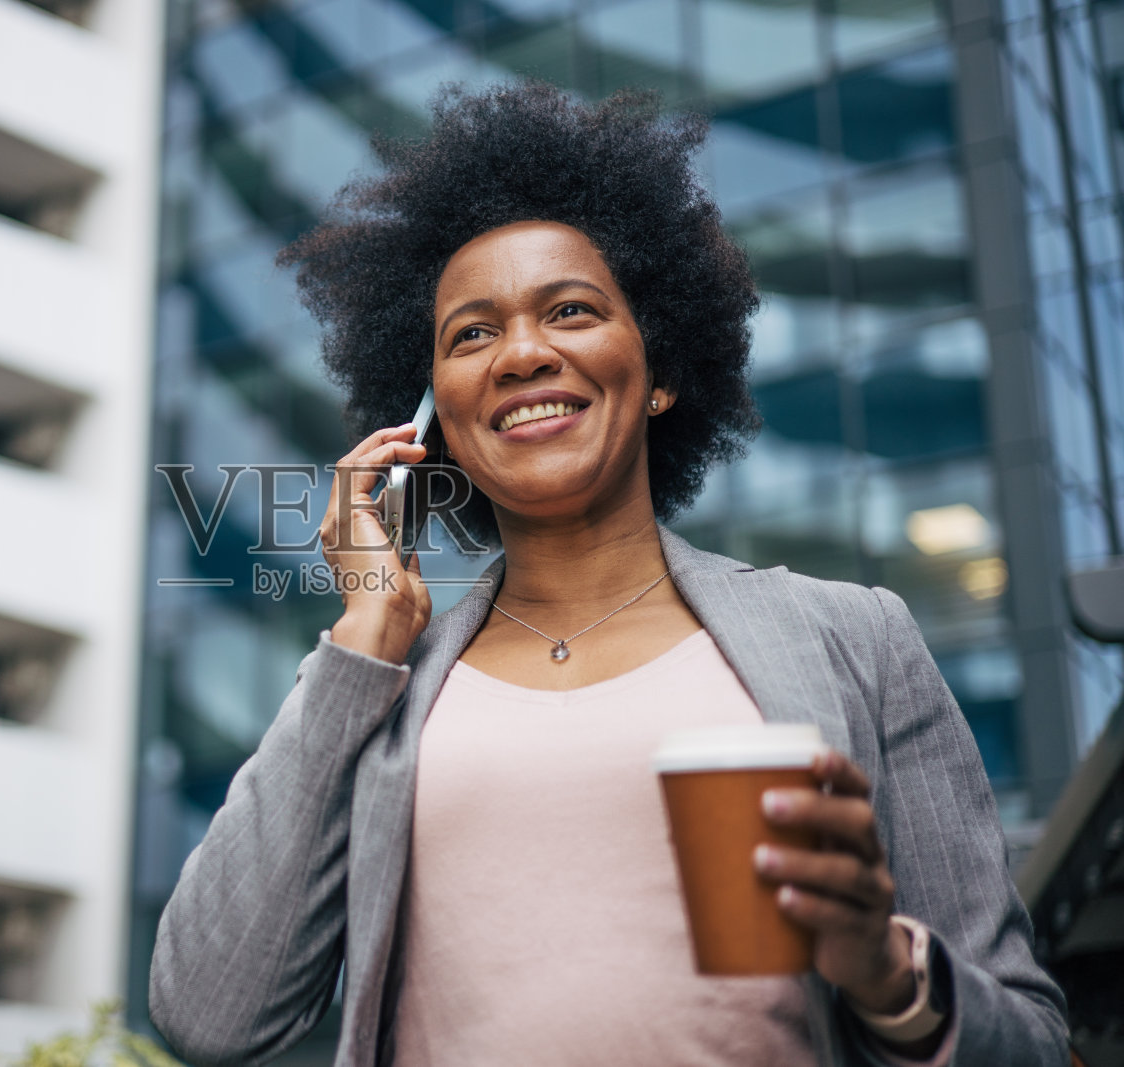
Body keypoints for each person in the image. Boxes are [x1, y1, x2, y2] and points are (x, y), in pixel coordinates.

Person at [148, 84, 1067, 1067]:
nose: (522, 353)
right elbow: (208, 1013)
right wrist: (365, 631)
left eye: (571, 311)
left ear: (660, 371)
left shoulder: (855, 636)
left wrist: (889, 970)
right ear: (433, 419)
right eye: (471, 333)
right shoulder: (386, 683)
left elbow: (1034, 1040)